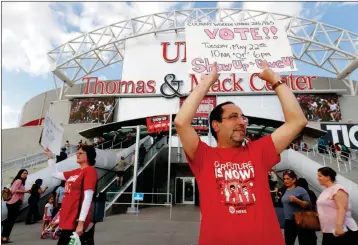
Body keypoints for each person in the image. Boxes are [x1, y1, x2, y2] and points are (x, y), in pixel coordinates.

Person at [174, 60, 308, 245]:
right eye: (233, 117)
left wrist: (276, 81)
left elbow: (297, 121)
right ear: (216, 125)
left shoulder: (259, 151)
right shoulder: (203, 156)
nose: (242, 122)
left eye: (243, 117)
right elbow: (181, 122)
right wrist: (206, 83)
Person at [44, 144, 98, 245]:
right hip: (68, 217)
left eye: (81, 153)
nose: (77, 154)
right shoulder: (76, 172)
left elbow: (88, 198)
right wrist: (50, 158)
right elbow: (55, 174)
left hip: (76, 219)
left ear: (89, 156)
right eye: (77, 152)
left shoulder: (90, 170)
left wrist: (81, 223)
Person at [316, 167, 358, 245]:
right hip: (328, 231)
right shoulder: (325, 190)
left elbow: (342, 208)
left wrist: (339, 226)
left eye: (320, 176)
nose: (317, 178)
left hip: (342, 230)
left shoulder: (338, 189)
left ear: (328, 177)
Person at [281, 170, 317, 245]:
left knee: (304, 242)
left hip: (300, 220)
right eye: (284, 179)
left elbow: (308, 204)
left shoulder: (300, 189)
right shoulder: (284, 189)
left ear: (294, 179)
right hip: (288, 221)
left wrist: (297, 200)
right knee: (288, 242)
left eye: (288, 179)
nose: (285, 181)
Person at [1, 169, 30, 243]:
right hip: (14, 202)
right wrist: (25, 191)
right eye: (24, 173)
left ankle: (3, 237)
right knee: (10, 221)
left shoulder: (19, 181)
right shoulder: (19, 181)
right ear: (20, 173)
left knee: (9, 220)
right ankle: (5, 238)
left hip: (12, 202)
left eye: (26, 173)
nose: (25, 174)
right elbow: (14, 190)